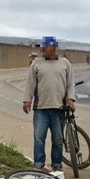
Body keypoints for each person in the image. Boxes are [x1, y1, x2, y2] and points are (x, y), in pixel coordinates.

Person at [23, 36, 75, 171]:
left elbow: (70, 84)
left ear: (54, 48)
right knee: (39, 138)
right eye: (45, 48)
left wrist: (70, 99)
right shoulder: (36, 64)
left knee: (58, 139)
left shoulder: (65, 63)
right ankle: (39, 164)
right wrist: (27, 100)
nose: (47, 50)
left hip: (59, 108)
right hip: (41, 109)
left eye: (50, 47)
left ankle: (57, 165)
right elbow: (30, 84)